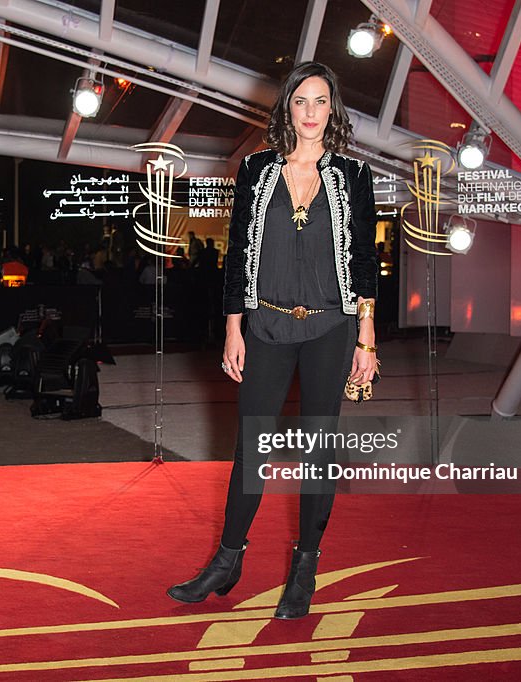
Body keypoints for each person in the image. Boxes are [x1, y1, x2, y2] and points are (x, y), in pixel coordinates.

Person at [166, 61, 378, 619]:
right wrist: (234, 326)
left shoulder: (353, 175)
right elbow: (238, 253)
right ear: (287, 107)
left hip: (332, 326)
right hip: (266, 325)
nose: (311, 112)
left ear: (333, 111)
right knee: (252, 449)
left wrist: (367, 336)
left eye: (321, 102)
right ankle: (228, 558)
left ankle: (304, 567)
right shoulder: (257, 168)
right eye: (302, 101)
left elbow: (363, 258)